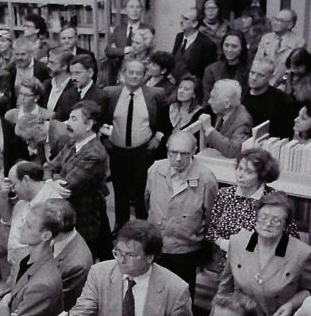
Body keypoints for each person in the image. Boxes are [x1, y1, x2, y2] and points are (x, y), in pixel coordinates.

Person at [69, 220, 194, 316]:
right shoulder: (99, 273)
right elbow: (80, 314)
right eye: (118, 252)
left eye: (130, 255)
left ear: (150, 257)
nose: (121, 260)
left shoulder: (176, 289)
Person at [145, 131, 218, 291]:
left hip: (186, 249)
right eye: (173, 152)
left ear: (193, 152)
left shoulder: (206, 179)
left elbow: (210, 217)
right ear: (167, 149)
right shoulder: (155, 170)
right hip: (158, 244)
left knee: (182, 292)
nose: (177, 159)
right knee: (155, 289)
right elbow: (148, 202)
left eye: (184, 154)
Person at [105, 58, 170, 226]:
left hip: (143, 151)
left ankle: (143, 228)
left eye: (138, 73)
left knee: (142, 192)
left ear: (144, 76)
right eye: (130, 72)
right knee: (120, 193)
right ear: (122, 74)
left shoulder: (156, 94)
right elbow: (101, 119)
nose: (134, 76)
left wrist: (158, 136)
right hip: (117, 152)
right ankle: (121, 227)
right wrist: (105, 139)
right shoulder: (110, 94)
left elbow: (165, 121)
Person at [47, 101, 113, 260]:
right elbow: (47, 167)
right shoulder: (71, 143)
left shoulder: (94, 154)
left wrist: (54, 180)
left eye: (73, 119)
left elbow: (67, 187)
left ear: (89, 124)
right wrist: (54, 181)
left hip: (84, 225)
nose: (67, 123)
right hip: (68, 220)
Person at [207, 148, 290, 268]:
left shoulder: (275, 199)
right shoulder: (224, 194)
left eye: (248, 172)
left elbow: (288, 237)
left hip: (263, 264)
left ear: (261, 175)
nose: (240, 175)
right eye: (239, 169)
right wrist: (222, 243)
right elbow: (210, 229)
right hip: (228, 262)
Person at [0, 203, 64, 316]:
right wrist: (5, 305)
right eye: (24, 221)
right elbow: (1, 296)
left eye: (28, 226)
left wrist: (3, 308)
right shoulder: (22, 258)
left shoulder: (43, 284)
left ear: (45, 236)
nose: (19, 227)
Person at [198, 79, 253, 159]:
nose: (209, 101)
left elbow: (234, 150)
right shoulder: (225, 111)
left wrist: (209, 129)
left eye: (213, 98)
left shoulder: (243, 121)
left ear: (226, 104)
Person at [241, 58, 296, 136]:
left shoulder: (281, 101)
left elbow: (287, 133)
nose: (254, 78)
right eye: (252, 73)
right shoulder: (240, 95)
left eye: (260, 75)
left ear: (270, 77)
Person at [172, 7, 219, 83]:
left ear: (195, 24)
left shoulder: (207, 44)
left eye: (186, 19)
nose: (181, 21)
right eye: (182, 17)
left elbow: (207, 74)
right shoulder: (179, 37)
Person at [201, 32, 250, 103]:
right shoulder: (211, 69)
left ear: (242, 48)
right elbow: (207, 98)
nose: (229, 50)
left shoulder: (248, 70)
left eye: (234, 46)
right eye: (226, 45)